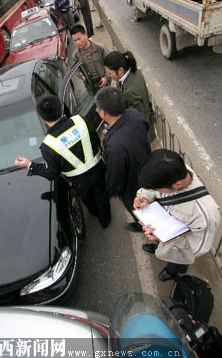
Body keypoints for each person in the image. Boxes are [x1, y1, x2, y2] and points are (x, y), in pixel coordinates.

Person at [15, 94, 111, 229]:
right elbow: (95, 140)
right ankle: (105, 219)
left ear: (42, 118)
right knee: (102, 195)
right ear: (61, 109)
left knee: (89, 200)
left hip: (80, 181)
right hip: (99, 168)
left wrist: (30, 164)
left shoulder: (48, 145)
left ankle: (97, 215)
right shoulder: (80, 121)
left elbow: (52, 174)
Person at [133, 149, 221, 281]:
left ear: (177, 184)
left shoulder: (206, 215)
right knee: (162, 249)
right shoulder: (175, 170)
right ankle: (159, 248)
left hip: (178, 250)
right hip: (162, 231)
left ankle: (173, 270)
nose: (155, 191)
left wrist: (164, 237)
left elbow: (197, 249)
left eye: (157, 189)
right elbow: (151, 188)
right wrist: (144, 196)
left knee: (176, 262)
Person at [95, 87, 151, 231]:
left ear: (103, 113)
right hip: (147, 168)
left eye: (98, 108)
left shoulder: (114, 147)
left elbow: (115, 176)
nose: (97, 110)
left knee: (139, 211)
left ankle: (145, 230)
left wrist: (113, 190)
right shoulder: (134, 114)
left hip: (132, 186)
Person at [104, 51, 156, 143]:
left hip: (142, 135)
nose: (109, 76)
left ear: (120, 70)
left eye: (110, 73)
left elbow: (137, 118)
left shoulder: (129, 92)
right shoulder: (134, 72)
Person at [71, 24, 109, 92]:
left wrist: (106, 77)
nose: (77, 42)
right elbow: (76, 71)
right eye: (75, 40)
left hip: (104, 84)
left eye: (79, 39)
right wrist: (81, 76)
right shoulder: (75, 56)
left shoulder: (100, 48)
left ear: (85, 35)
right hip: (90, 87)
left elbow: (110, 64)